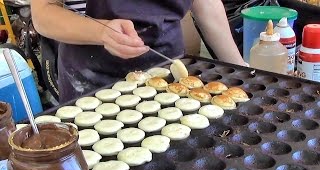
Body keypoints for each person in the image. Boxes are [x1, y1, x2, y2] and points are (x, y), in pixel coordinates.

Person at [31, 0, 247, 103]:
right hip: (92, 80)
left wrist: (241, 72)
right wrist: (101, 32)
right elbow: (44, 13)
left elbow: (206, 4)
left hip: (169, 71)